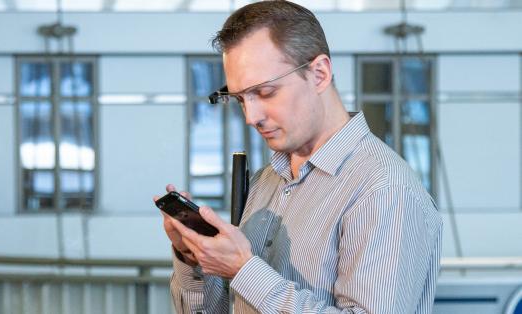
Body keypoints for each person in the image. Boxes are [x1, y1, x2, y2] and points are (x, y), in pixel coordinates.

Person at [157, 1, 442, 313]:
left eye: (265, 93)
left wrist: (244, 270)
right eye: (240, 99)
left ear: (319, 74)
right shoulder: (266, 181)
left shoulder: (383, 190)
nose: (251, 117)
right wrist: (193, 258)